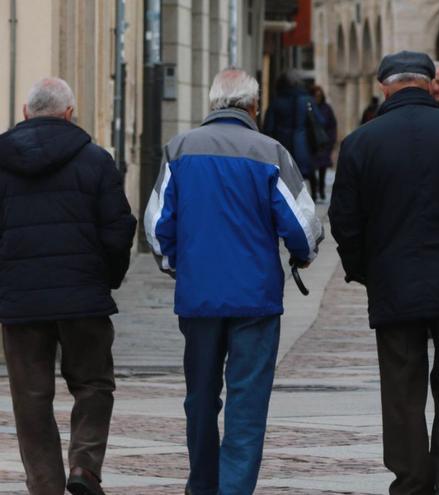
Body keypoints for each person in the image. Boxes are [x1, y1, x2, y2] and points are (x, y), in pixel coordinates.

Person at [329, 51, 439, 495]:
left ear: (383, 87)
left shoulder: (361, 142)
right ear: (431, 84)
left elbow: (345, 222)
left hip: (393, 279)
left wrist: (365, 270)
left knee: (402, 388)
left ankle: (412, 481)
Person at [144, 68, 323, 495]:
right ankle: (234, 489)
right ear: (253, 106)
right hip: (255, 298)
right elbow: (302, 225)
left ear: (212, 103)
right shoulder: (271, 152)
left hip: (199, 296)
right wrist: (303, 255)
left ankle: (202, 486)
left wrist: (176, 265)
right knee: (247, 402)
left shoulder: (179, 149)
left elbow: (156, 225)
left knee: (200, 399)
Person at [0, 77, 137, 495]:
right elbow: (119, 229)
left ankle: (45, 485)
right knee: (94, 383)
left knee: (31, 397)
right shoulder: (96, 160)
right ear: (69, 114)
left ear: (25, 114)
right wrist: (106, 279)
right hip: (83, 299)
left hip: (21, 303)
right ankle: (85, 465)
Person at [263, 70, 322, 198]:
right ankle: (313, 196)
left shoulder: (276, 102)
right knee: (307, 172)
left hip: (282, 145)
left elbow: (268, 128)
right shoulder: (307, 100)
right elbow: (320, 120)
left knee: (284, 175)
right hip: (304, 145)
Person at [311, 85, 338, 202]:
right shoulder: (309, 107)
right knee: (311, 168)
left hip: (324, 142)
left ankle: (321, 189)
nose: (317, 97)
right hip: (312, 143)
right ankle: (314, 190)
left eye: (319, 95)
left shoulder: (327, 108)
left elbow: (332, 125)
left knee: (322, 168)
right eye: (315, 95)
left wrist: (331, 140)